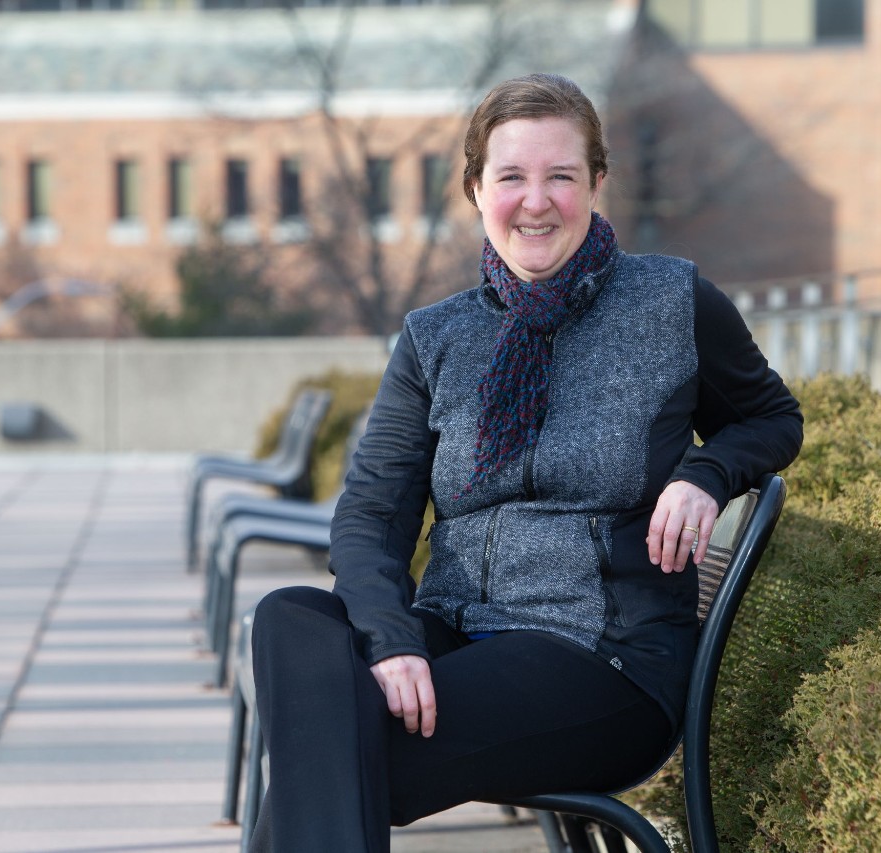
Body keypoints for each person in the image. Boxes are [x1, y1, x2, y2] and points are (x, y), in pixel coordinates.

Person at [248, 72, 803, 852]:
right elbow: (372, 515)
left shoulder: (673, 304)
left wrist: (706, 474)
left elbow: (772, 418)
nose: (535, 200)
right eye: (511, 177)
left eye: (561, 177)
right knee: (291, 618)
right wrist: (391, 637)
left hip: (602, 658)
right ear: (476, 188)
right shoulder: (434, 338)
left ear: (597, 183)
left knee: (330, 741)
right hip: (453, 628)